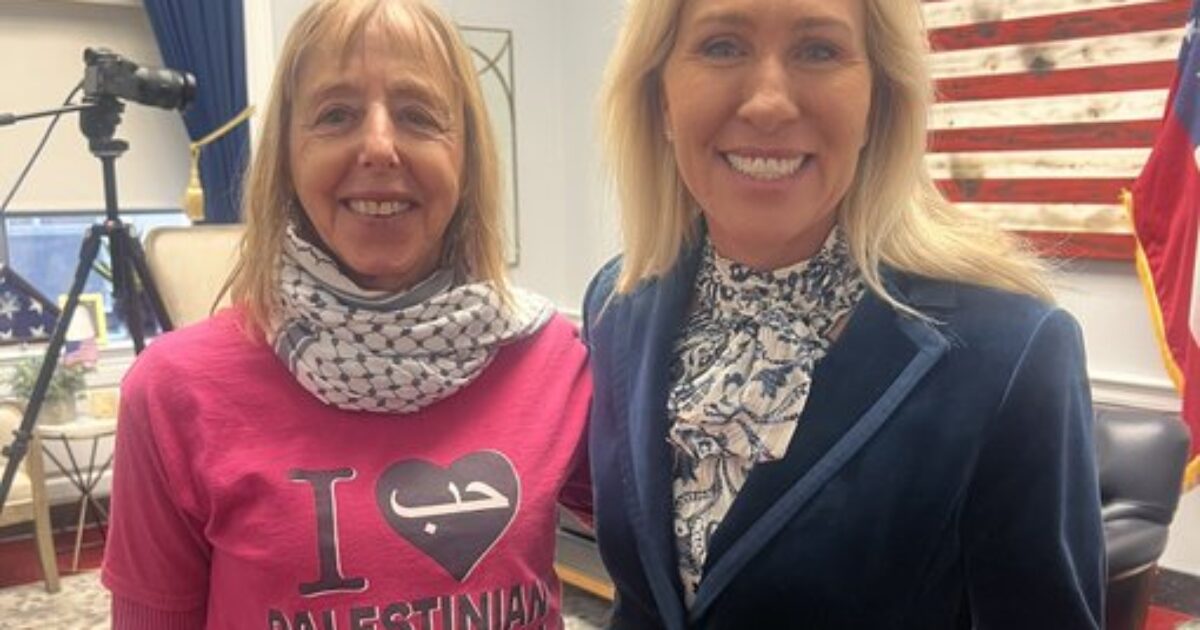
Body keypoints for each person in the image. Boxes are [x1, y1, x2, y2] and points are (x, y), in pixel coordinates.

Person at [583, 0, 1105, 628]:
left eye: (818, 50)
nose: (768, 103)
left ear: (877, 103)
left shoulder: (1012, 351)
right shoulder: (618, 303)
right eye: (722, 45)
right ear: (660, 96)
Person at [102, 1, 590, 627]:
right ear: (286, 156)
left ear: (466, 158)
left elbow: (680, 551)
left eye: (418, 115)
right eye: (336, 115)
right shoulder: (173, 391)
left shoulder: (556, 359)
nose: (380, 146)